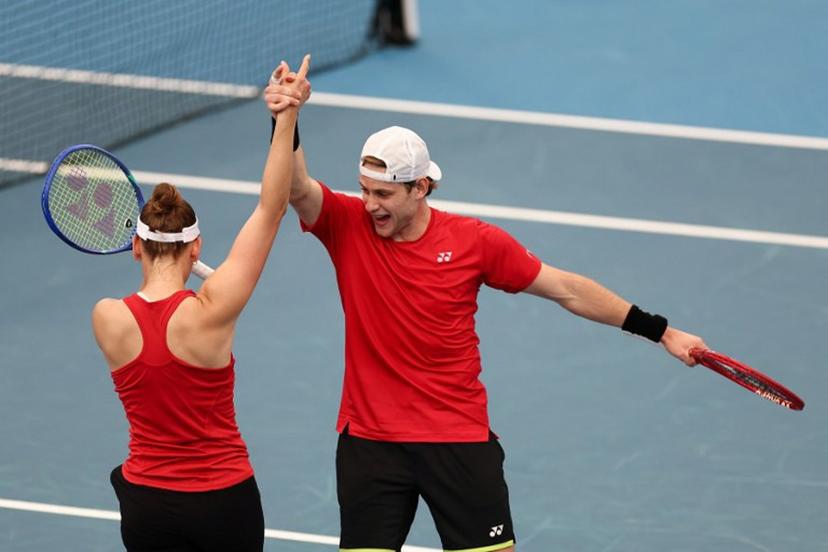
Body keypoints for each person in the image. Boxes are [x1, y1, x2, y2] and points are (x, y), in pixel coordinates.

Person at [266, 64, 706, 552]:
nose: (369, 204)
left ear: (421, 188)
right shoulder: (346, 224)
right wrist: (287, 115)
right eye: (366, 190)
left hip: (456, 437)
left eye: (384, 194)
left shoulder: (474, 242)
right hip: (371, 442)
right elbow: (296, 189)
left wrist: (661, 331)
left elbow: (567, 289)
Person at [91, 55, 310, 552]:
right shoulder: (213, 310)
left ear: (135, 247)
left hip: (145, 505)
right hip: (221, 502)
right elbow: (271, 208)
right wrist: (286, 115)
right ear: (197, 247)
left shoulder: (106, 316)